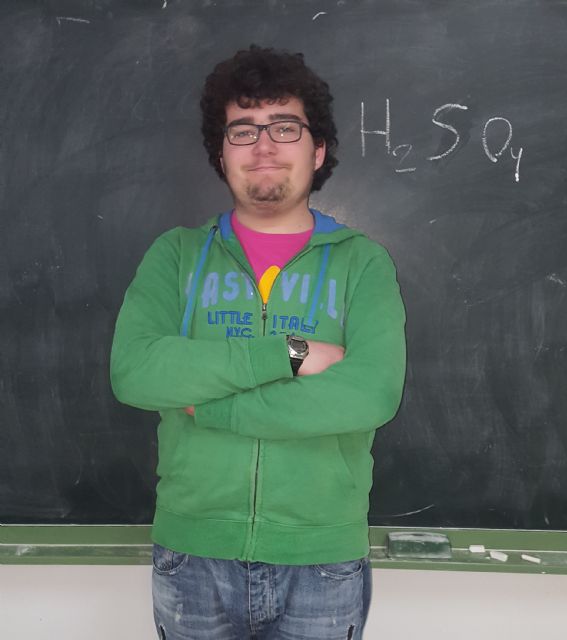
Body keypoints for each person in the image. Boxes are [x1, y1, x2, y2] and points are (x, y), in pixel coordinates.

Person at [110, 45, 406, 640]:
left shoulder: (363, 264)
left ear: (317, 150)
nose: (264, 145)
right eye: (242, 130)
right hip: (192, 556)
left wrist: (210, 407)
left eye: (285, 127)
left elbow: (368, 394)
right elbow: (137, 371)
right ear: (221, 154)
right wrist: (290, 354)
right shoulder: (176, 256)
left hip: (322, 562)